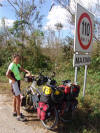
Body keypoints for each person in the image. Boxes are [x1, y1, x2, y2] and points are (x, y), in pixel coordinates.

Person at [6, 53, 30, 121]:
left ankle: (14, 111)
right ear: (13, 59)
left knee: (15, 97)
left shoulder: (17, 64)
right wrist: (13, 80)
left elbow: (22, 69)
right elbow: (7, 74)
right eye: (17, 59)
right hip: (14, 83)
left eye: (19, 59)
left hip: (17, 82)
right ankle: (18, 115)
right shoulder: (12, 65)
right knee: (18, 98)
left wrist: (28, 71)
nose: (18, 60)